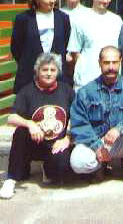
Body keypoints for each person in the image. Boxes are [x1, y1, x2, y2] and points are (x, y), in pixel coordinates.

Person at [69, 46, 123, 186]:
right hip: (96, 141)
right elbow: (79, 124)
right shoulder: (86, 92)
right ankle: (99, 167)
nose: (111, 67)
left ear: (120, 62)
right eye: (106, 63)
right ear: (99, 63)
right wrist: (96, 146)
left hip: (121, 140)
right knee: (77, 162)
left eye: (114, 62)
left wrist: (119, 129)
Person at [0, 53, 75, 199]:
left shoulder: (66, 90)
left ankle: (47, 168)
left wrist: (67, 137)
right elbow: (11, 117)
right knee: (21, 132)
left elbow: (76, 116)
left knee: (61, 171)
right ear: (37, 71)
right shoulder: (27, 91)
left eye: (52, 70)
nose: (48, 73)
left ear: (57, 72)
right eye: (44, 69)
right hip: (34, 142)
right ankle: (11, 179)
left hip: (56, 144)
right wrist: (30, 124)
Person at [11, 0, 71, 92]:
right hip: (29, 78)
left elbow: (64, 43)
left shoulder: (63, 18)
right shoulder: (23, 19)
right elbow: (16, 48)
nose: (52, 0)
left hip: (56, 80)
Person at [67, 0, 123, 90]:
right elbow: (75, 52)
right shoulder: (80, 19)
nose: (106, 0)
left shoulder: (117, 20)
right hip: (86, 80)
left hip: (111, 80)